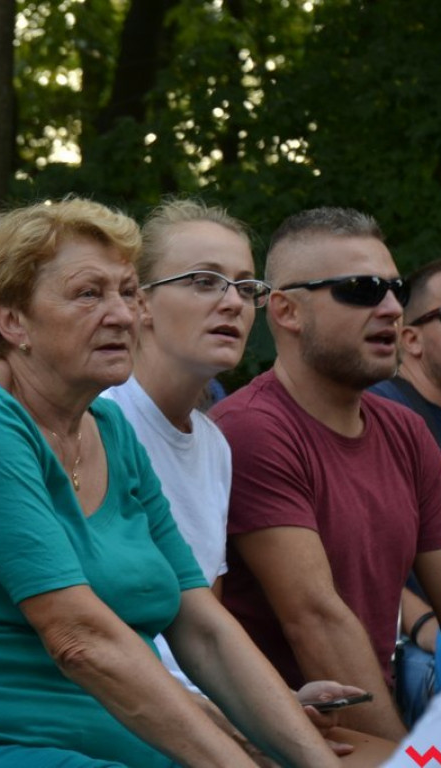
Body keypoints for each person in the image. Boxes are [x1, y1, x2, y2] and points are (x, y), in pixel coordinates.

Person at [0, 198, 343, 768]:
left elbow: (205, 628)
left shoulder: (111, 430)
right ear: (13, 321)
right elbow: (78, 639)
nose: (121, 314)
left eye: (127, 291)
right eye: (89, 294)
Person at [101, 199, 366, 759]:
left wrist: (280, 701)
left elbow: (199, 633)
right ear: (140, 302)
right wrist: (241, 724)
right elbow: (98, 642)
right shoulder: (98, 422)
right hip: (122, 718)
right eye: (204, 281)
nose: (231, 302)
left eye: (246, 287)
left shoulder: (215, 445)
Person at [210, 207, 441, 742]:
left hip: (378, 714)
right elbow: (316, 621)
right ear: (287, 310)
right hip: (287, 731)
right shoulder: (252, 430)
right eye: (361, 289)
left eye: (395, 289)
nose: (390, 308)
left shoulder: (405, 432)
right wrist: (404, 758)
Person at [367, 259, 441, 724]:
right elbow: (351, 556)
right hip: (414, 648)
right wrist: (427, 627)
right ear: (410, 339)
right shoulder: (381, 411)